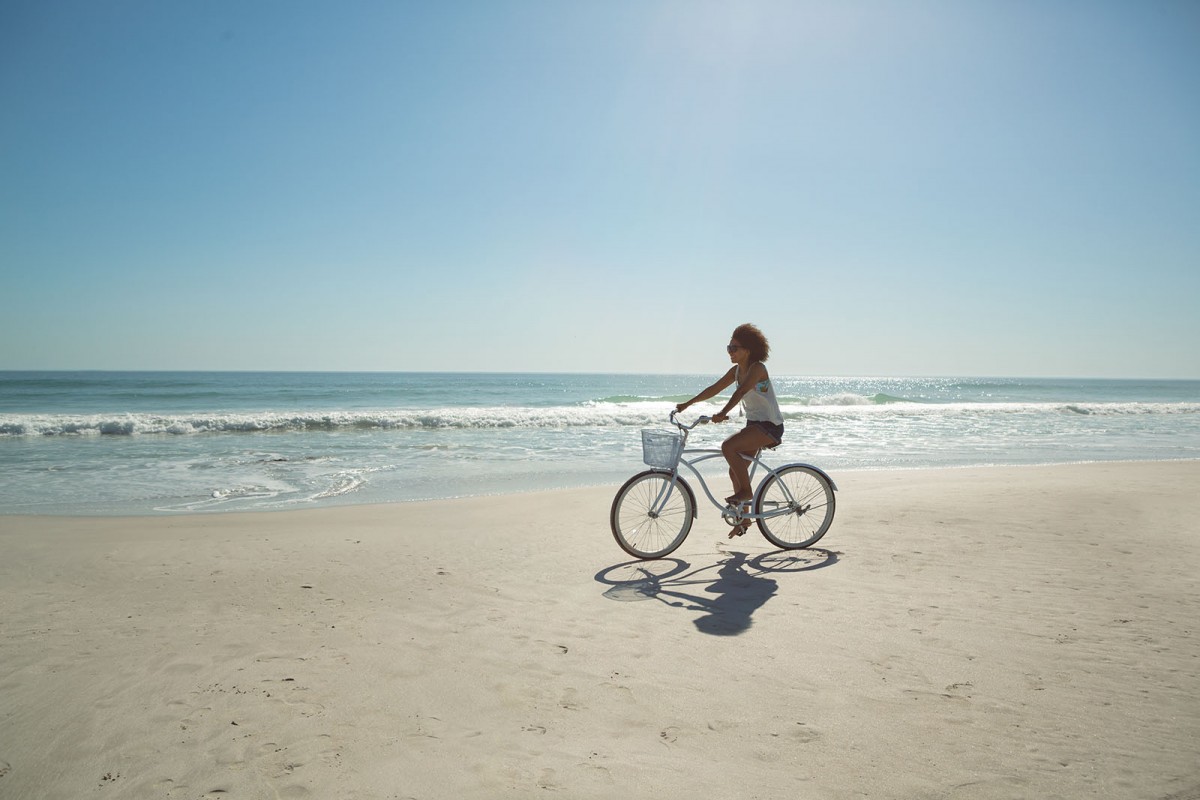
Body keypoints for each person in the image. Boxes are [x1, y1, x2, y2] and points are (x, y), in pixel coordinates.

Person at [675, 324, 785, 536]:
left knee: (728, 446)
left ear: (748, 350)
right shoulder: (736, 371)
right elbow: (714, 389)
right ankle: (744, 520)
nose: (730, 352)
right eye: (729, 348)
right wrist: (688, 404)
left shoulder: (757, 368)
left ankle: (747, 492)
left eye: (734, 348)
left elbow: (742, 391)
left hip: (770, 426)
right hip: (754, 425)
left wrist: (722, 412)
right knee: (734, 470)